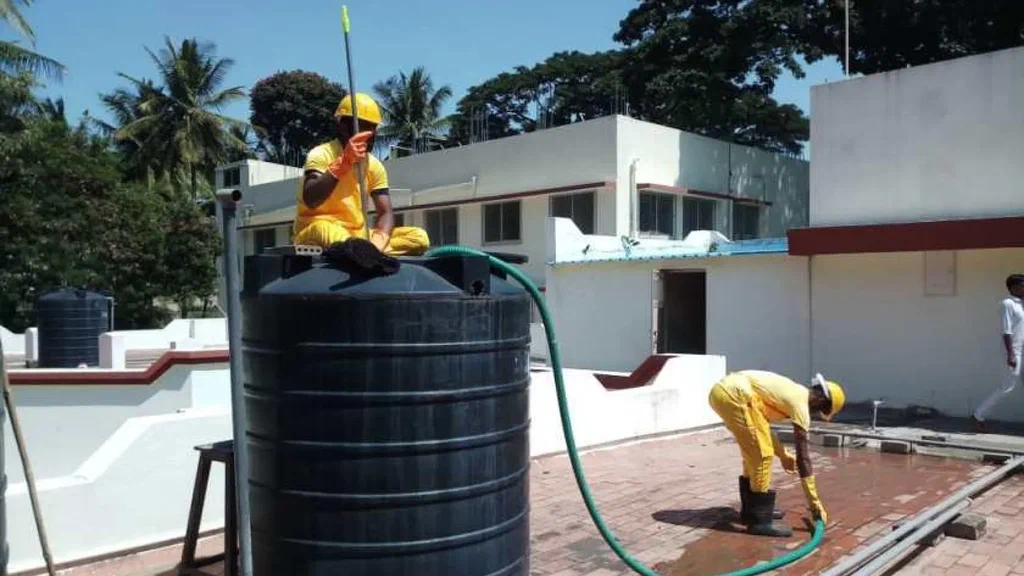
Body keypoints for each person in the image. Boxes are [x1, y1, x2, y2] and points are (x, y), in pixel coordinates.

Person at [708, 370, 845, 537]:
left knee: (753, 451)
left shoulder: (790, 392)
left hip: (726, 392)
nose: (816, 413)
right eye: (821, 409)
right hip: (735, 394)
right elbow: (803, 457)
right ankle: (760, 522)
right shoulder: (799, 402)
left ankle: (752, 510)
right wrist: (814, 503)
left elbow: (762, 426)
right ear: (821, 399)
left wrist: (783, 454)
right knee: (762, 457)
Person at [292, 92, 430, 255]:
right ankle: (360, 252)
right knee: (332, 233)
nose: (372, 135)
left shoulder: (374, 165)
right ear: (343, 128)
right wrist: (344, 163)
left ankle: (366, 253)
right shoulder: (321, 154)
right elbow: (311, 199)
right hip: (317, 229)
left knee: (418, 238)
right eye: (364, 127)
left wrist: (378, 242)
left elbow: (385, 212)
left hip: (357, 235)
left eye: (374, 128)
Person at [971, 274, 1024, 432]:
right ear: (1013, 287)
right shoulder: (1007, 304)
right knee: (1008, 386)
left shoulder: (1021, 304)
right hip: (1014, 351)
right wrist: (1011, 354)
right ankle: (978, 415)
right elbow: (1006, 331)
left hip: (1023, 349)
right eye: (1023, 285)